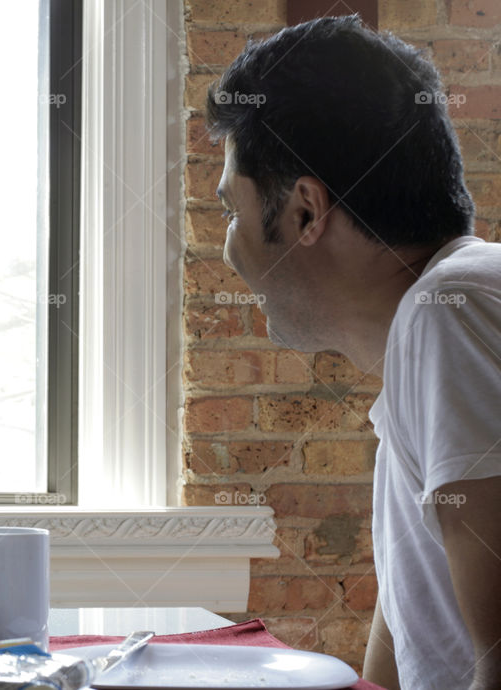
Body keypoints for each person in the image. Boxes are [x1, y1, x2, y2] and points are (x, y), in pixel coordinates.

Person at [206, 15, 501, 690]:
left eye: (232, 211)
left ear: (306, 211)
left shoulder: (450, 314)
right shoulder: (438, 324)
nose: (227, 250)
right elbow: (410, 642)